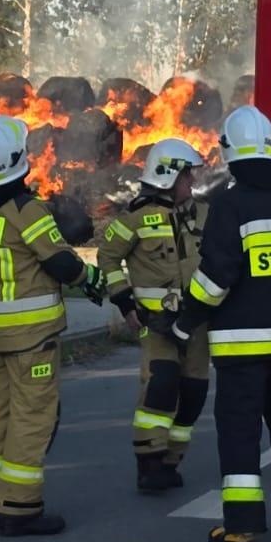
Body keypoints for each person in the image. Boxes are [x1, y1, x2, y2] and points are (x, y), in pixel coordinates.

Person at [169, 108, 271, 542]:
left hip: (241, 348)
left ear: (230, 153)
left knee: (240, 436)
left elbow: (216, 279)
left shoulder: (230, 206)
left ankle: (242, 526)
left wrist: (184, 322)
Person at [0, 114, 107, 536]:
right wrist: (91, 279)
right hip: (30, 337)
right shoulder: (26, 211)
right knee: (33, 417)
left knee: (0, 414)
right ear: (17, 161)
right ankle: (20, 507)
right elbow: (61, 262)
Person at [101, 138, 208, 494]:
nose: (192, 183)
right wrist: (125, 304)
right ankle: (149, 464)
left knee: (193, 392)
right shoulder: (135, 219)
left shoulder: (202, 214)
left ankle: (172, 460)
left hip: (195, 322)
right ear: (167, 176)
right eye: (187, 177)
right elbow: (107, 258)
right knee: (160, 388)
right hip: (157, 324)